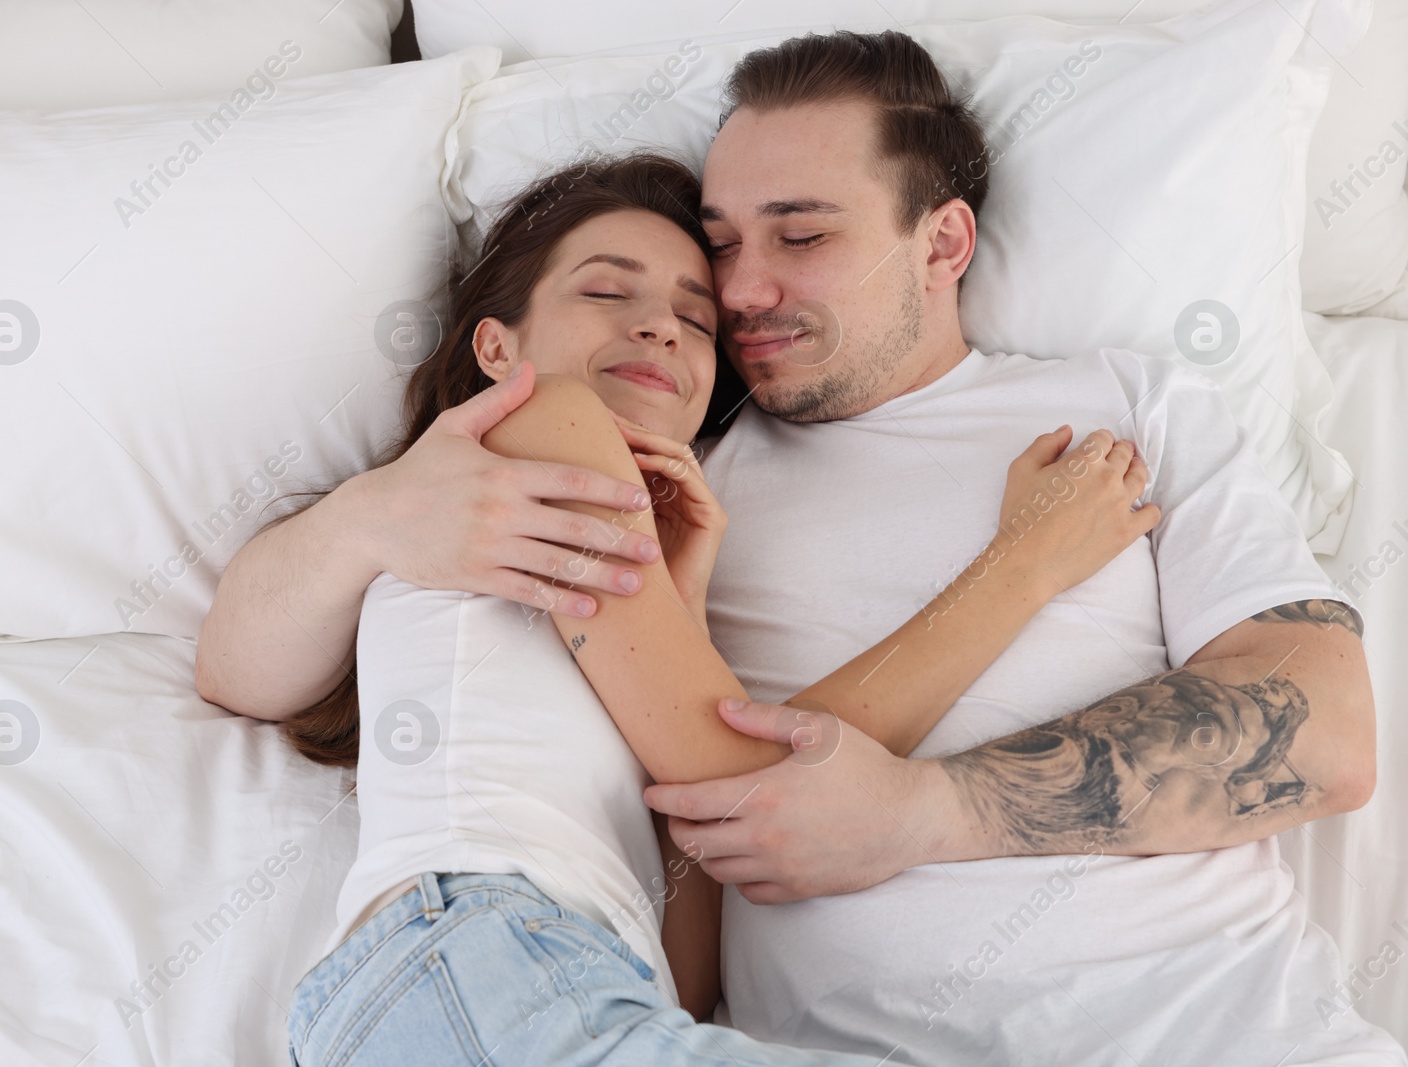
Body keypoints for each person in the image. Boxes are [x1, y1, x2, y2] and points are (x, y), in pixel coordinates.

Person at [199, 30, 1404, 1067]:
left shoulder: (1122, 418)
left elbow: (1330, 734)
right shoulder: (655, 471)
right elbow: (715, 788)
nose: (736, 292)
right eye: (721, 243)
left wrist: (931, 812)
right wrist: (1018, 571)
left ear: (942, 243)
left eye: (802, 235)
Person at [206, 151, 1154, 1066]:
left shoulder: (628, 590)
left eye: (696, 319)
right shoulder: (542, 422)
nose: (661, 326)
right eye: (607, 292)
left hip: (552, 989)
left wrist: (685, 608)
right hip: (478, 959)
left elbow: (689, 971)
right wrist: (1022, 566)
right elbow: (750, 776)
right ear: (498, 346)